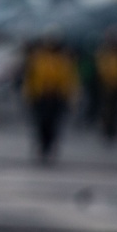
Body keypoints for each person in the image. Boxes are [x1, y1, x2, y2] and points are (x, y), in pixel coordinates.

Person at [21, 30, 78, 163]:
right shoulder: (37, 57)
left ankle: (50, 147)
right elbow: (30, 77)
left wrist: (70, 96)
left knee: (54, 124)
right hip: (41, 96)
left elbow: (70, 79)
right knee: (41, 123)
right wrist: (29, 94)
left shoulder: (64, 59)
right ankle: (42, 146)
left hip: (57, 97)